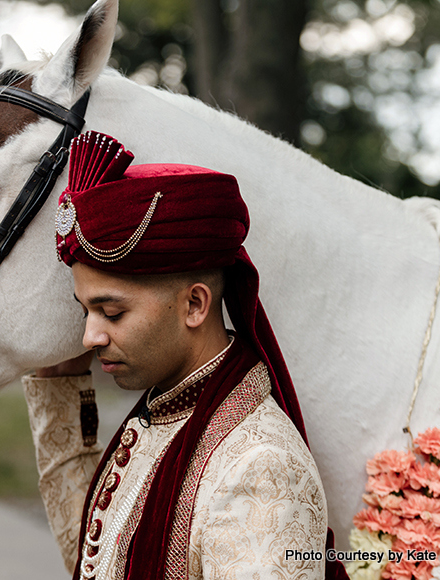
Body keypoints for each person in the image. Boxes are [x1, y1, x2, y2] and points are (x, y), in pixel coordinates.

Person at [21, 131, 347, 580]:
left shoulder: (261, 470)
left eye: (111, 311)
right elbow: (98, 558)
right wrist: (58, 394)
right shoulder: (167, 412)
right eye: (85, 311)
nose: (90, 336)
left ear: (194, 305)